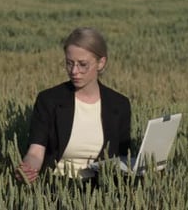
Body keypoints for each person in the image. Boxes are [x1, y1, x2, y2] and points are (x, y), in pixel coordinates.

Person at [15, 27, 131, 186]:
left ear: (101, 63)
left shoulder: (119, 104)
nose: (74, 71)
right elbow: (35, 152)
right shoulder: (48, 100)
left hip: (103, 189)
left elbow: (123, 156)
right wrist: (28, 169)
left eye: (83, 64)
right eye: (69, 63)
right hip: (55, 187)